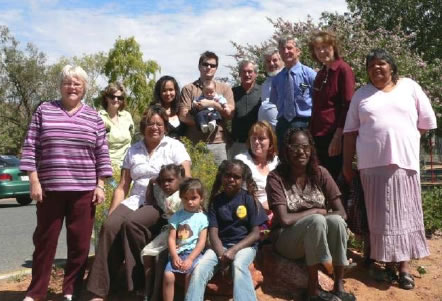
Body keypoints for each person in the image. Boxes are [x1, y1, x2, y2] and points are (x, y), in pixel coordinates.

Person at [343, 49, 437, 290]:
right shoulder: (361, 95)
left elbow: (425, 123)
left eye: (381, 63)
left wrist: (403, 140)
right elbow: (350, 132)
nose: (376, 68)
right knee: (377, 218)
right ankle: (379, 262)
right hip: (371, 167)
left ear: (392, 67)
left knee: (404, 215)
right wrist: (346, 165)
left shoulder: (410, 87)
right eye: (371, 65)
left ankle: (404, 267)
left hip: (404, 165)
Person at [20, 65, 113, 301]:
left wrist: (100, 185)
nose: (72, 87)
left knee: (80, 246)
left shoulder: (94, 117)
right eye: (67, 82)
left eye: (77, 83)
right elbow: (31, 146)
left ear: (84, 88)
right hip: (50, 189)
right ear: (61, 85)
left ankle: (71, 290)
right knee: (44, 243)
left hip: (83, 191)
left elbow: (102, 153)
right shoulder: (44, 111)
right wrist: (34, 180)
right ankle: (36, 292)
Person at [87, 104, 191, 301]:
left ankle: (139, 285)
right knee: (109, 226)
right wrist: (112, 212)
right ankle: (99, 291)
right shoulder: (133, 150)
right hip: (137, 198)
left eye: (159, 124)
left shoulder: (174, 146)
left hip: (162, 202)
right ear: (143, 126)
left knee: (132, 224)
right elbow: (123, 186)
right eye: (150, 123)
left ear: (165, 127)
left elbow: (186, 178)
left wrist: (182, 208)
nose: (155, 127)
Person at [266, 128, 355, 301]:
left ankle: (338, 286)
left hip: (318, 236)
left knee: (336, 221)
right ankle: (312, 291)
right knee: (315, 220)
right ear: (287, 150)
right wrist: (314, 211)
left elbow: (342, 212)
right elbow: (284, 219)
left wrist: (323, 218)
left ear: (311, 149)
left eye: (306, 147)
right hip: (287, 241)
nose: (301, 152)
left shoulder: (320, 173)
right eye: (296, 147)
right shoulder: (275, 178)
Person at [185, 160, 268, 301]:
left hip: (244, 246)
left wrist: (233, 251)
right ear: (221, 176)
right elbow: (213, 233)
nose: (231, 179)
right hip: (220, 247)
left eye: (236, 177)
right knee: (199, 270)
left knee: (238, 265)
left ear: (242, 180)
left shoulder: (249, 199)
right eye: (227, 175)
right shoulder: (216, 202)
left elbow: (255, 234)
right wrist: (222, 255)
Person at [308, 31, 355, 179]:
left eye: (325, 46)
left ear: (333, 47)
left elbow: (347, 105)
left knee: (335, 182)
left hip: (334, 136)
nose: (321, 51)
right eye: (317, 48)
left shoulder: (343, 69)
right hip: (318, 135)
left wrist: (337, 137)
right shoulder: (321, 73)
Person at [179, 51, 235, 166]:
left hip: (218, 143)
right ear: (199, 66)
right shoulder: (188, 89)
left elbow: (230, 114)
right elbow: (183, 116)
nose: (209, 67)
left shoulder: (225, 88)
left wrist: (213, 104)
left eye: (213, 65)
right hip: (195, 143)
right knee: (196, 181)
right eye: (205, 64)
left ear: (216, 68)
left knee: (221, 180)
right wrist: (202, 121)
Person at [140, 164, 186, 300]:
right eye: (162, 181)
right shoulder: (161, 192)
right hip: (168, 232)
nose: (166, 184)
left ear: (180, 180)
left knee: (161, 258)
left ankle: (155, 295)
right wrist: (150, 183)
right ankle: (147, 292)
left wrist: (180, 241)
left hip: (182, 234)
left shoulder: (183, 196)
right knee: (147, 253)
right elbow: (149, 201)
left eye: (170, 180)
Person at [163, 178, 209, 301]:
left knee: (191, 275)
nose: (189, 202)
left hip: (193, 254)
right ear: (181, 198)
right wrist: (174, 256)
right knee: (168, 276)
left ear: (201, 198)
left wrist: (190, 259)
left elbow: (201, 242)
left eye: (193, 198)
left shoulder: (203, 218)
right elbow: (171, 238)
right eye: (185, 198)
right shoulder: (177, 216)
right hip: (177, 253)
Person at [270, 34, 316, 147]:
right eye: (282, 49)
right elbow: (276, 101)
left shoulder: (309, 74)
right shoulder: (277, 78)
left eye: (289, 48)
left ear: (298, 51)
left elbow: (319, 99)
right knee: (284, 159)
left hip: (304, 123)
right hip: (283, 124)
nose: (286, 51)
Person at [235, 121, 278, 211]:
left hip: (277, 207)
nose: (256, 142)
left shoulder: (276, 161)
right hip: (252, 210)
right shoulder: (241, 161)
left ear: (270, 141)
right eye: (253, 138)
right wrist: (262, 206)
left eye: (261, 138)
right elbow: (238, 194)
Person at [229, 60, 262, 159]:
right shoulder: (232, 92)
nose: (247, 74)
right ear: (239, 74)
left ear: (256, 74)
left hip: (257, 143)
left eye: (250, 71)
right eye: (244, 72)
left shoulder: (263, 91)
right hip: (237, 143)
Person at [98, 82, 134, 169]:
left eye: (119, 98)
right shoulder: (99, 117)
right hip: (108, 167)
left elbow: (131, 136)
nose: (116, 100)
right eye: (112, 97)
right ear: (106, 98)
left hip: (127, 166)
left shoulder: (127, 116)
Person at [258, 46, 283, 129]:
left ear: (282, 60)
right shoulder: (265, 83)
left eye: (275, 60)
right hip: (267, 133)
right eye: (268, 61)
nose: (271, 64)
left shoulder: (288, 78)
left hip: (283, 130)